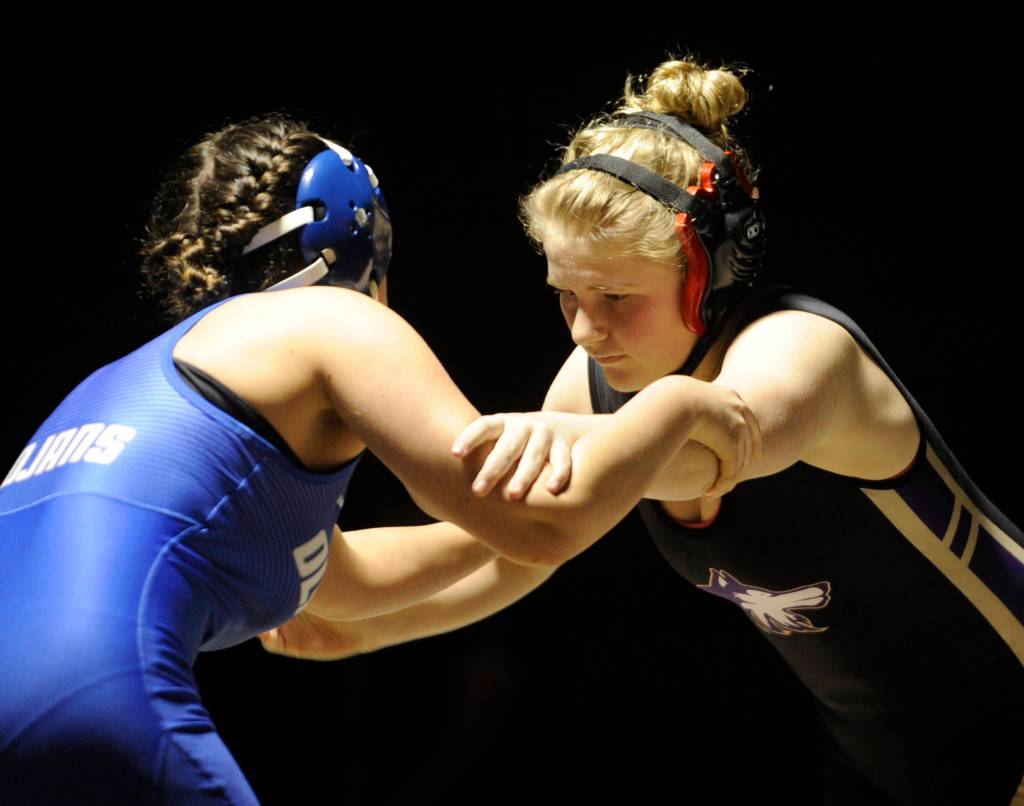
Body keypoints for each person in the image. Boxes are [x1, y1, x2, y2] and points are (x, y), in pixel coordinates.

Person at [263, 61, 1024, 805]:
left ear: (709, 275)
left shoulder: (802, 351)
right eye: (566, 294)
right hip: (879, 757)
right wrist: (348, 616)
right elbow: (517, 545)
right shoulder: (600, 384)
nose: (588, 331)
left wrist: (670, 410)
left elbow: (710, 455)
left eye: (618, 295)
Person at [0, 115, 760, 804]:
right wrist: (672, 408)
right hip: (98, 698)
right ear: (369, 244)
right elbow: (538, 526)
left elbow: (344, 581)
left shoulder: (125, 384)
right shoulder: (335, 318)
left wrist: (517, 531)